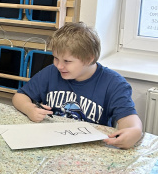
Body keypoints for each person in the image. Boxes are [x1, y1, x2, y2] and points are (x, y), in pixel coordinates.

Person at [12, 22, 143, 149]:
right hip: (51, 142)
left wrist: (134, 132)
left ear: (89, 59)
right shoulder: (51, 72)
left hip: (89, 150)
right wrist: (29, 108)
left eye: (67, 61)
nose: (59, 66)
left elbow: (129, 120)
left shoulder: (114, 84)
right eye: (56, 58)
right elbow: (19, 96)